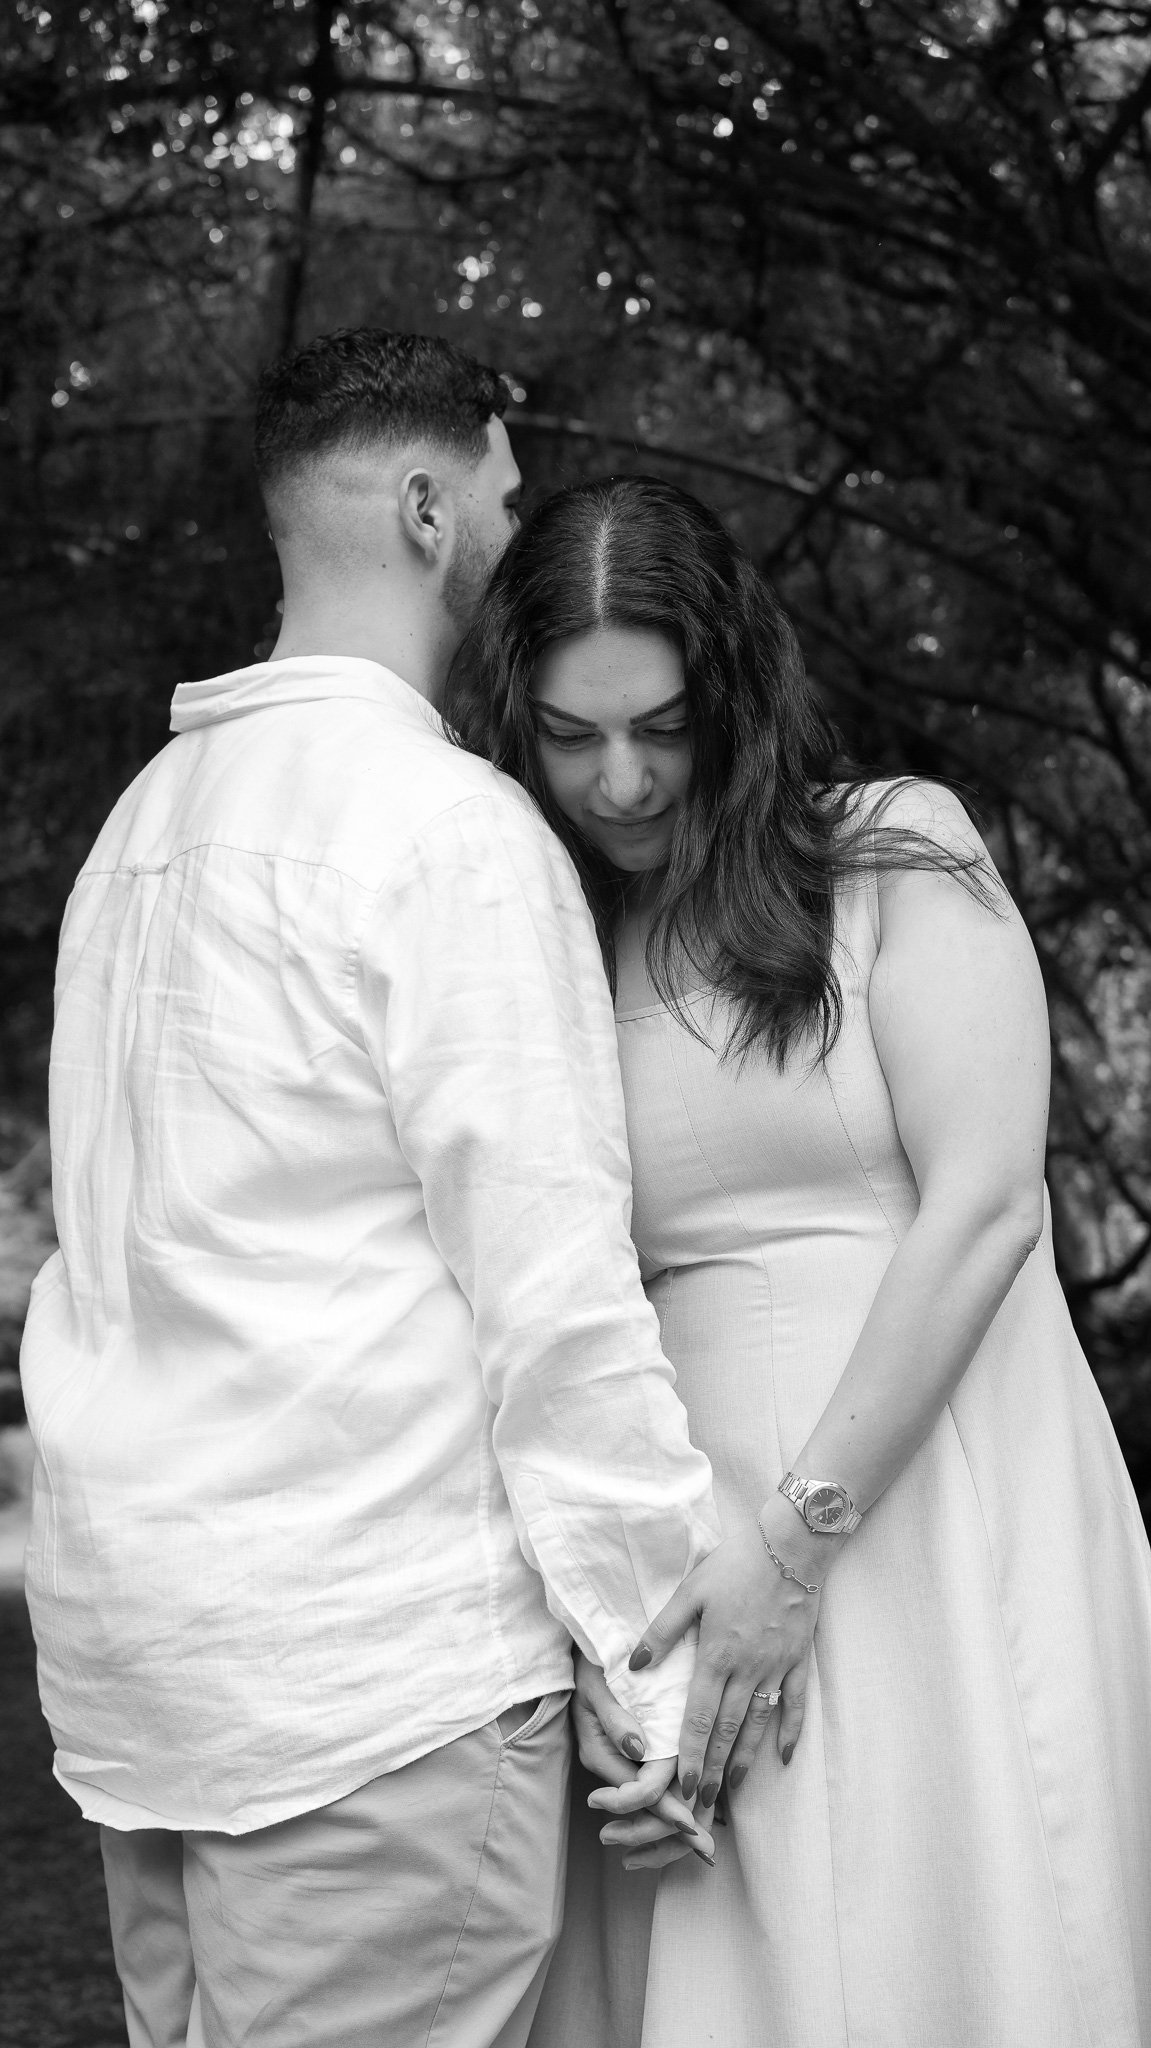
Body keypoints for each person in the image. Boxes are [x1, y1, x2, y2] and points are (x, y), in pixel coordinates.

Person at [18, 336, 763, 2048]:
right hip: (368, 1685)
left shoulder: (139, 829)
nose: (518, 529)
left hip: (152, 1677)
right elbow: (553, 1290)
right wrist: (652, 1674)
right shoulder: (448, 829)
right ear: (428, 508)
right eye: (504, 499)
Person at [445, 473, 1151, 2048]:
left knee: (966, 1895)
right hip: (690, 1517)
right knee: (743, 1952)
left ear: (739, 693)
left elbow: (986, 1207)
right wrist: (631, 1628)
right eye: (571, 735)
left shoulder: (894, 851)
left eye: (661, 723)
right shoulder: (551, 941)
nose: (620, 779)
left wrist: (798, 1544)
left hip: (936, 1475)